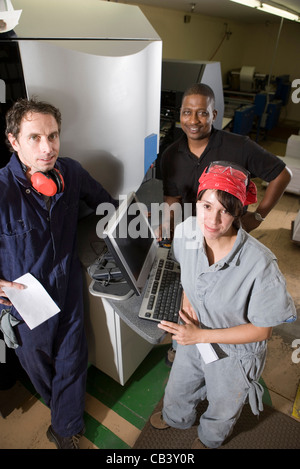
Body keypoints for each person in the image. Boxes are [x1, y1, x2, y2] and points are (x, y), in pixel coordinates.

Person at [150, 161, 296, 449]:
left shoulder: (260, 265)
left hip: (235, 352)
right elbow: (187, 271)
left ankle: (209, 439)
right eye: (206, 206)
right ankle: (176, 416)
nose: (212, 220)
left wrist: (202, 336)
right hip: (195, 332)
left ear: (238, 213)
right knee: (179, 385)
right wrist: (188, 300)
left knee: (223, 403)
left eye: (225, 211)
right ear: (197, 202)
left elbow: (261, 331)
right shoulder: (187, 231)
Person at [0, 98, 118, 449]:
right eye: (35, 137)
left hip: (65, 283)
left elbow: (105, 203)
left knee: (73, 355)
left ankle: (65, 429)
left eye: (53, 136)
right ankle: (61, 406)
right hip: (22, 299)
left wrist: (117, 234)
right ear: (13, 141)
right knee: (38, 364)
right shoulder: (2, 190)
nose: (47, 147)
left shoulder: (71, 172)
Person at [159, 83, 292, 365]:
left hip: (228, 243)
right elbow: (172, 198)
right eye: (186, 112)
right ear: (179, 115)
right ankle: (188, 345)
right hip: (194, 242)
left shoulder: (238, 146)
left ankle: (223, 354)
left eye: (202, 113)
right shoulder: (171, 155)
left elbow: (282, 174)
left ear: (214, 114)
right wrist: (165, 223)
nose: (193, 120)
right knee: (190, 295)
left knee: (224, 303)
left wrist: (258, 215)